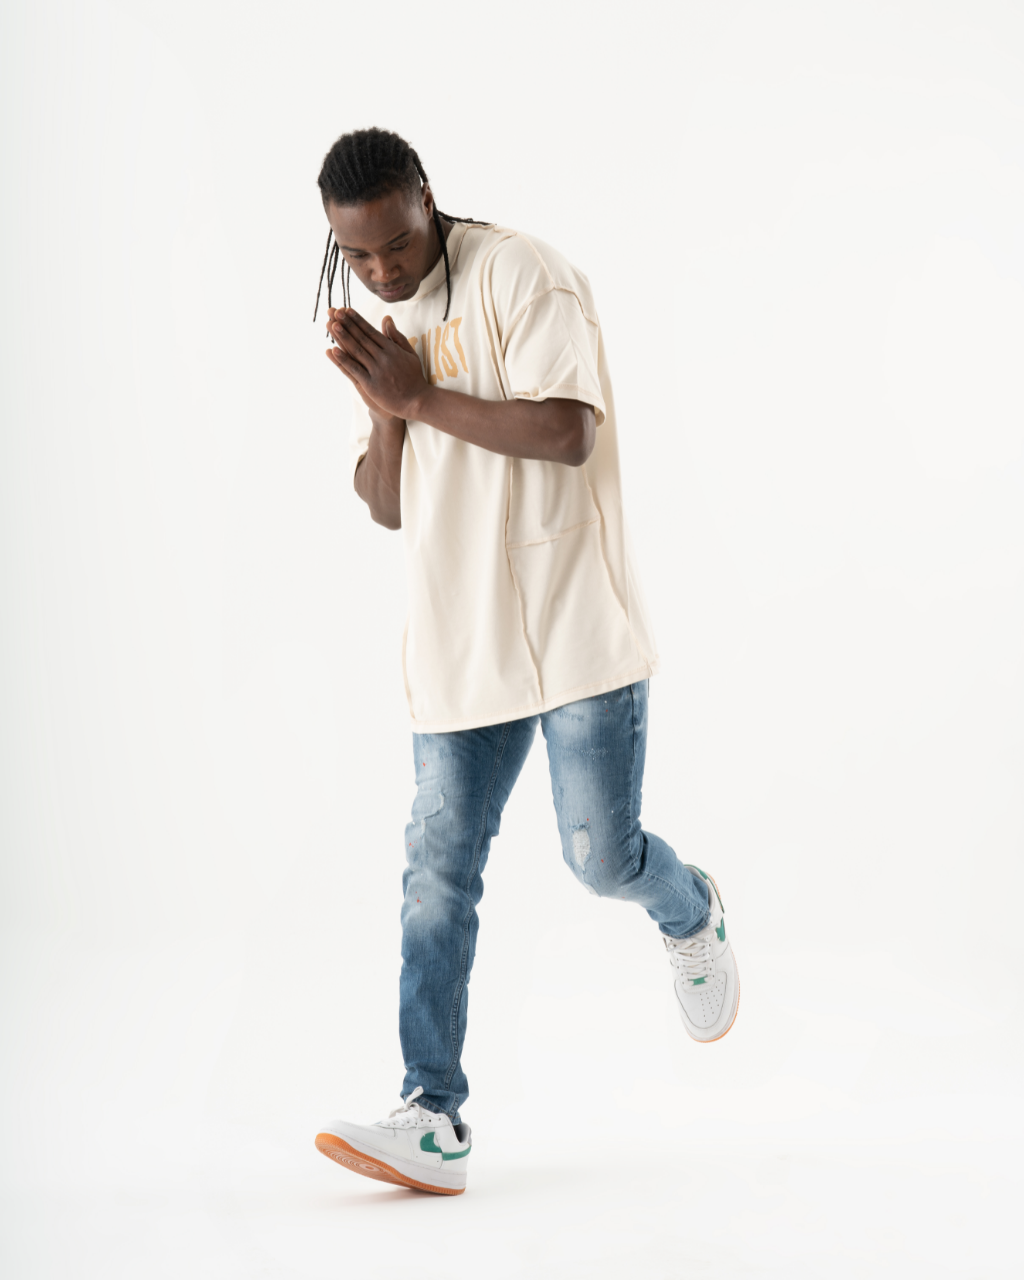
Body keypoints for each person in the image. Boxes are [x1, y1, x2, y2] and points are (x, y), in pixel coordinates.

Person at [311, 128, 739, 1197]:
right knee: (435, 874)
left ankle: (689, 909)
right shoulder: (382, 321)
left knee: (600, 856)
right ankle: (432, 1113)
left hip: (569, 620)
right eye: (355, 257)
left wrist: (416, 399)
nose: (380, 272)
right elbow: (387, 506)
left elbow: (565, 431)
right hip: (460, 638)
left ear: (425, 197)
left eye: (394, 246)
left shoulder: (523, 272)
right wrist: (384, 420)